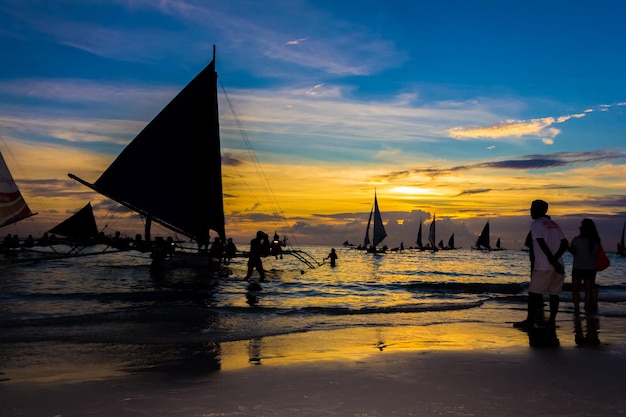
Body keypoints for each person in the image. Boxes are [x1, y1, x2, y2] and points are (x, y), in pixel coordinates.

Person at [514, 200, 568, 329]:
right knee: (554, 294)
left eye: (532, 208)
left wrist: (551, 260)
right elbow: (565, 244)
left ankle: (530, 321)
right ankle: (552, 321)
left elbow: (541, 243)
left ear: (539, 210)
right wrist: (556, 260)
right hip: (558, 265)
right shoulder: (554, 224)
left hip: (544, 265)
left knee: (533, 294)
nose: (530, 211)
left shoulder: (536, 224)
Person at [569, 218, 601, 314]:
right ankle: (586, 307)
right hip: (591, 268)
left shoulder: (576, 240)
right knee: (588, 290)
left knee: (575, 289)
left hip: (578, 267)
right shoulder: (595, 241)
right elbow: (596, 253)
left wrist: (567, 247)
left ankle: (577, 308)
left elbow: (573, 252)